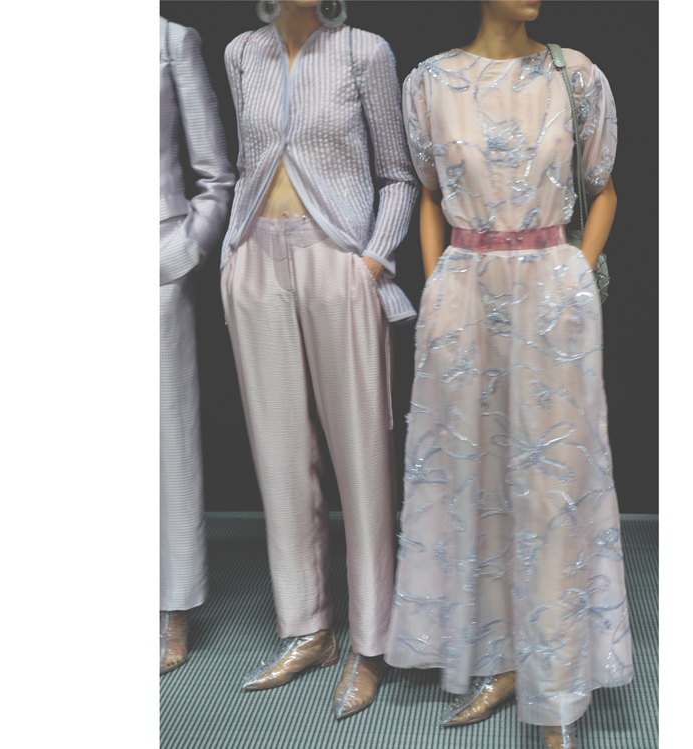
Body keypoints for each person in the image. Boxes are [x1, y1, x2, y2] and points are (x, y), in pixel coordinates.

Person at [384, 2, 632, 746]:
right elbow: (430, 196)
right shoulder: (429, 82)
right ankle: (496, 656)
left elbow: (604, 187)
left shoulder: (575, 75)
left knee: (552, 483)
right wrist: (437, 285)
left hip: (553, 295)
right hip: (464, 295)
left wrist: (577, 276)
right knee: (475, 477)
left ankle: (553, 675)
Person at [219, 0, 419, 718]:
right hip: (255, 260)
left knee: (362, 457)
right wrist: (232, 254)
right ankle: (308, 629)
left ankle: (371, 641)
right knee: (278, 456)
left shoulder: (365, 50)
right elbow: (245, 165)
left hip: (338, 262)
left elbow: (399, 174)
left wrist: (371, 260)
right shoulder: (242, 53)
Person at [159, 16, 236, 675]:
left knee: (169, 437)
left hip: (153, 260)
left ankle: (175, 603)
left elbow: (216, 173)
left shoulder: (168, 39)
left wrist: (185, 251)